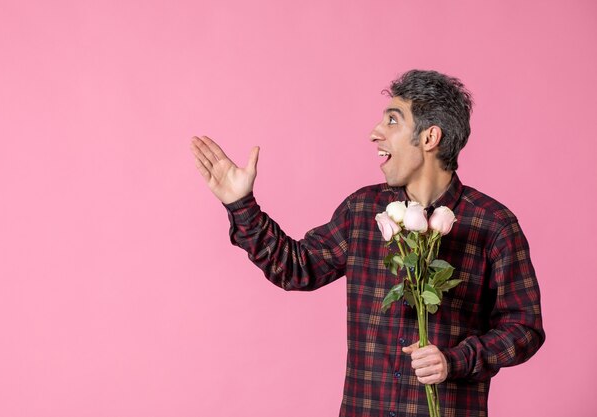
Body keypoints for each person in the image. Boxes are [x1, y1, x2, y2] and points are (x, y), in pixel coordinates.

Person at [189, 69, 545, 417]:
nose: (375, 133)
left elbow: (524, 328)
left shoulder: (492, 224)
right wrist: (241, 204)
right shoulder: (363, 211)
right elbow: (296, 268)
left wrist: (456, 360)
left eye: (392, 121)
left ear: (429, 138)